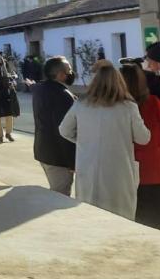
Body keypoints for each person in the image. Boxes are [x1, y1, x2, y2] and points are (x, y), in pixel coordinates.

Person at [59, 61, 150, 220]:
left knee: (91, 215)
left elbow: (64, 130)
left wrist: (84, 141)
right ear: (119, 81)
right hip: (119, 173)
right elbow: (143, 139)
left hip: (88, 168)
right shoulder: (128, 106)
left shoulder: (81, 104)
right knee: (121, 216)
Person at [120, 63, 160, 233]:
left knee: (138, 217)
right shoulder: (152, 102)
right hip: (157, 168)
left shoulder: (116, 106)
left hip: (128, 169)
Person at [32, 56, 77, 195]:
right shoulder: (63, 96)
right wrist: (72, 161)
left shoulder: (40, 89)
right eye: (69, 70)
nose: (71, 73)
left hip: (43, 151)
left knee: (55, 193)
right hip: (58, 157)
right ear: (60, 75)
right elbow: (63, 131)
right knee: (60, 195)